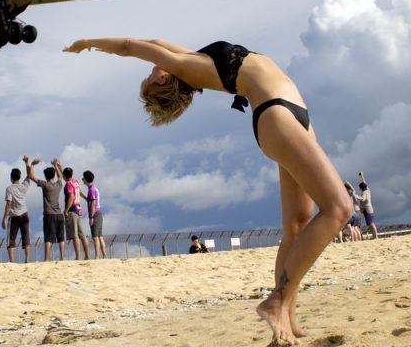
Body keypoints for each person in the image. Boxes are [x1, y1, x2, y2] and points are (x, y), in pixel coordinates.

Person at [64, 38, 351, 345]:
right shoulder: (183, 66)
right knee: (340, 208)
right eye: (149, 76)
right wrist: (89, 43)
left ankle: (286, 317)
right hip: (275, 113)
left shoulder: (194, 61)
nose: (151, 70)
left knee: (297, 225)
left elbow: (154, 42)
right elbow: (129, 46)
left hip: (293, 113)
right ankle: (276, 302)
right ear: (162, 78)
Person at [30, 157, 66, 261]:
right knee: (61, 238)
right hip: (59, 214)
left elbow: (31, 177)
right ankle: (62, 258)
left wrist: (32, 164)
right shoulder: (59, 184)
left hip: (49, 215)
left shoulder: (45, 185)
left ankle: (46, 259)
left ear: (45, 176)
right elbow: (60, 177)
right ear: (53, 175)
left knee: (48, 238)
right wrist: (56, 166)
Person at [2, 156, 34, 263]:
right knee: (26, 238)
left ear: (11, 178)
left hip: (14, 216)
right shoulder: (23, 186)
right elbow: (29, 175)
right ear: (19, 177)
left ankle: (12, 262)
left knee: (11, 240)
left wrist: (4, 218)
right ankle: (27, 260)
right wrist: (27, 163)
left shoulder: (9, 189)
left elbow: (9, 204)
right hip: (25, 214)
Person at [61, 164, 91, 260]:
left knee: (75, 236)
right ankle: (87, 256)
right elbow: (80, 192)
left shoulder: (68, 184)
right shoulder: (75, 182)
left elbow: (71, 197)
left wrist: (66, 210)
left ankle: (78, 257)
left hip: (72, 209)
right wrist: (86, 198)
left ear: (64, 175)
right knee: (82, 234)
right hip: (78, 209)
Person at [82, 170, 107, 259]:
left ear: (86, 179)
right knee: (100, 236)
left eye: (83, 178)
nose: (82, 180)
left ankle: (97, 256)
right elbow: (90, 201)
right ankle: (104, 255)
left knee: (95, 237)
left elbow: (92, 203)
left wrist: (91, 217)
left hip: (95, 214)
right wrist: (83, 196)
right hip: (98, 213)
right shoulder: (93, 188)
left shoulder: (92, 189)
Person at [357, 172, 378, 238]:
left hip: (367, 209)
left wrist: (356, 196)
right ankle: (375, 236)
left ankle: (376, 236)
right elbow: (364, 183)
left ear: (361, 188)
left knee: (371, 223)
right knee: (370, 223)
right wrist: (362, 177)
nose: (359, 189)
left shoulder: (364, 192)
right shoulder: (367, 190)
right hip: (368, 209)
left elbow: (363, 199)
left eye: (359, 188)